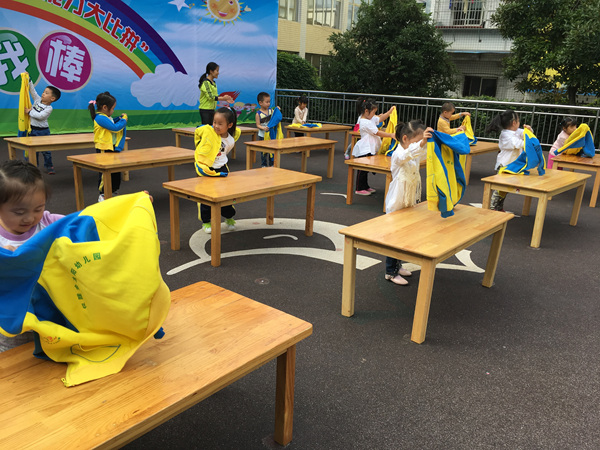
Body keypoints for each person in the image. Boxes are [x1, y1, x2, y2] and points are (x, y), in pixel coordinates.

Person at [0, 159, 65, 352]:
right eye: (19, 212)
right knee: (14, 359)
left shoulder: (48, 223)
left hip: (48, 312)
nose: (29, 218)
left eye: (38, 208)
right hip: (12, 320)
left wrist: (132, 204)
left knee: (49, 355)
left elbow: (85, 221)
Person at [384, 120, 433, 285]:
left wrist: (432, 141)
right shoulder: (398, 154)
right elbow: (407, 155)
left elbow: (423, 153)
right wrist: (422, 143)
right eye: (416, 142)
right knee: (393, 239)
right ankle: (390, 272)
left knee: (403, 237)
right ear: (405, 138)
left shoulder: (412, 152)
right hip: (396, 203)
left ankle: (398, 266)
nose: (419, 145)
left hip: (407, 202)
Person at [196, 107, 238, 234]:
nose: (216, 126)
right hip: (207, 168)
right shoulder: (209, 133)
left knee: (225, 195)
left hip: (222, 168)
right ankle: (206, 221)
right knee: (206, 196)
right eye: (214, 122)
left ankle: (229, 217)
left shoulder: (230, 140)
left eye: (220, 124)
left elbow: (224, 153)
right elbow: (199, 134)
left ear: (229, 125)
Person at [484, 109, 534, 211]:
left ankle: (499, 208)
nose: (519, 123)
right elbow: (519, 143)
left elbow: (524, 134)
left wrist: (529, 130)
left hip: (512, 166)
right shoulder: (506, 135)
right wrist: (529, 141)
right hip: (504, 165)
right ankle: (492, 208)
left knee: (505, 189)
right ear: (514, 122)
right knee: (500, 189)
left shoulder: (515, 131)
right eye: (518, 121)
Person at [88, 92, 128, 202]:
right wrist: (123, 120)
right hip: (104, 148)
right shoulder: (100, 118)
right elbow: (114, 128)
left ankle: (113, 191)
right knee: (105, 172)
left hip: (112, 147)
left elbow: (112, 122)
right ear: (105, 107)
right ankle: (103, 194)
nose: (113, 111)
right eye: (113, 108)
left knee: (115, 171)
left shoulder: (106, 117)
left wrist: (119, 118)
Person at [352, 98, 396, 195]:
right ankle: (359, 188)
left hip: (369, 147)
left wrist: (390, 112)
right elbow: (377, 132)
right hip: (365, 148)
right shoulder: (364, 122)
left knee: (367, 169)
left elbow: (380, 119)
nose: (374, 114)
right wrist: (390, 135)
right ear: (366, 111)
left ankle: (365, 186)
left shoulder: (369, 118)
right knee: (362, 169)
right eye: (373, 112)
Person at [24, 77, 61, 174]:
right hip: (32, 130)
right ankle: (34, 167)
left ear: (52, 98)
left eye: (46, 93)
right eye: (44, 92)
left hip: (43, 131)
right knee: (33, 150)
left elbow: (40, 116)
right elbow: (33, 91)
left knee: (46, 151)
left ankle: (49, 166)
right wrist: (29, 80)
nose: (43, 93)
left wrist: (29, 112)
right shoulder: (37, 100)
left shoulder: (49, 108)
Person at [255, 92, 280, 167]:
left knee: (271, 150)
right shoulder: (258, 114)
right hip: (262, 135)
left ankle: (271, 164)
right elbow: (258, 125)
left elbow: (275, 114)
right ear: (260, 103)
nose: (268, 103)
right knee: (264, 151)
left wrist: (277, 109)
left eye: (269, 102)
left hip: (270, 134)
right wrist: (263, 128)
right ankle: (264, 165)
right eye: (267, 102)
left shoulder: (270, 111)